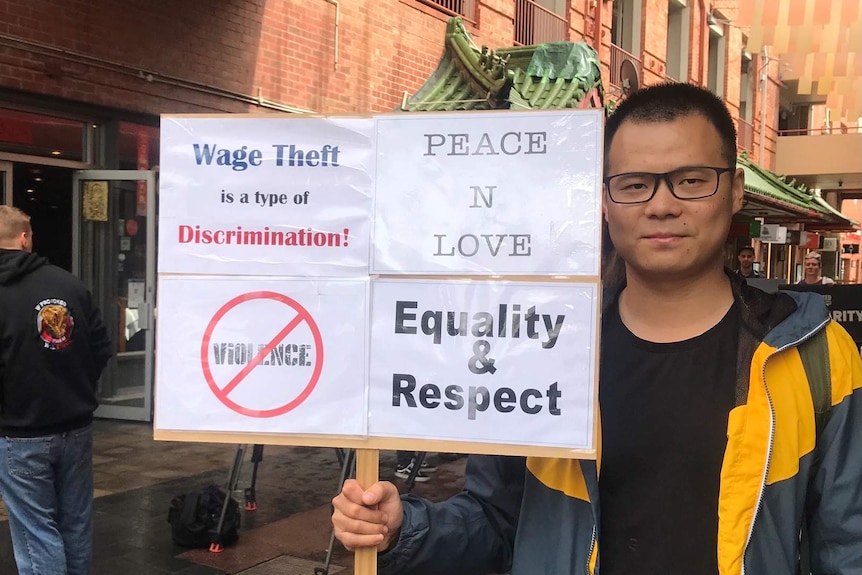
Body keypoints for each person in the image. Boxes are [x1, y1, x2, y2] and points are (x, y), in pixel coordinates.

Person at [331, 83, 862, 574]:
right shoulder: (539, 349)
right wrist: (404, 528)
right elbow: (495, 522)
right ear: (605, 201)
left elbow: (845, 545)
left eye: (691, 181)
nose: (661, 205)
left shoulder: (816, 356)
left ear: (735, 190)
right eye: (634, 185)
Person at [0, 206, 113, 575]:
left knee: (36, 534)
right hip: (75, 426)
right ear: (25, 238)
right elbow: (100, 347)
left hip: (19, 432)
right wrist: (77, 387)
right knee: (75, 523)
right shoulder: (69, 284)